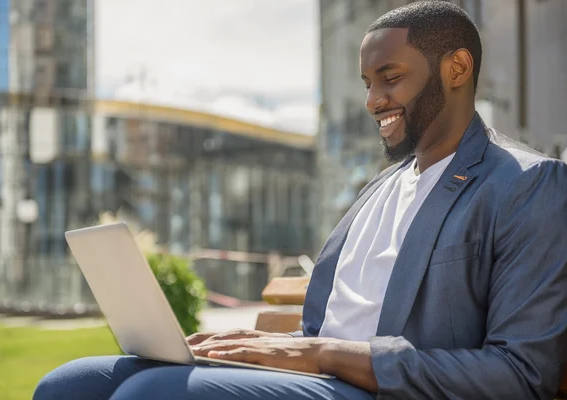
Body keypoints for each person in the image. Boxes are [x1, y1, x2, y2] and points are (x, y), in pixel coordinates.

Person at [34, 2, 567, 399]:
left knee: (145, 396)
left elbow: (522, 373)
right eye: (366, 83)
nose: (372, 100)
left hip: (383, 388)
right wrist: (260, 347)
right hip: (317, 372)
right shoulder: (381, 187)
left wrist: (320, 354)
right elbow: (326, 323)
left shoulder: (526, 183)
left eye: (391, 78)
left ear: (456, 68)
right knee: (70, 384)